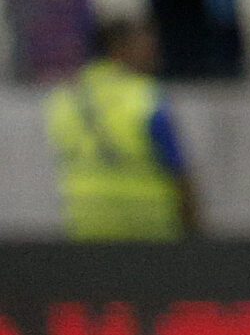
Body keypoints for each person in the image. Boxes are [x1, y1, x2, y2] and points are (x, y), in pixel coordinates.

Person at [44, 18, 201, 240]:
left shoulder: (64, 98)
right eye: (144, 41)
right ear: (119, 48)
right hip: (147, 224)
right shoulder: (146, 97)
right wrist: (195, 227)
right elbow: (176, 168)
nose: (153, 47)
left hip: (86, 222)